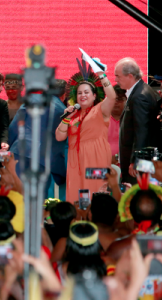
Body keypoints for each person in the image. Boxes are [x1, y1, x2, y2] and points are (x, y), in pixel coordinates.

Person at [56, 57, 116, 202]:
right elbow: (59, 137)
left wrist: (101, 74)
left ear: (94, 95)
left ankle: (96, 222)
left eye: (86, 92)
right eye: (79, 93)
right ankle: (79, 222)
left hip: (96, 157)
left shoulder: (100, 110)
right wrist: (67, 117)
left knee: (96, 193)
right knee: (77, 196)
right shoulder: (73, 114)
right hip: (75, 161)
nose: (82, 95)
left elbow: (112, 96)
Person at [9, 83, 66, 198]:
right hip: (41, 160)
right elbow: (57, 145)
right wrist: (61, 174)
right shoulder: (62, 110)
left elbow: (14, 127)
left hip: (19, 152)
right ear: (64, 95)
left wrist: (10, 147)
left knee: (15, 194)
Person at [115, 57, 162, 182]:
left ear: (130, 76)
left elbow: (141, 131)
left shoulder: (139, 96)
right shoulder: (140, 91)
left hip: (139, 164)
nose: (116, 80)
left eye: (118, 76)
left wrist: (135, 161)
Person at [108, 85, 127, 159]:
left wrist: (116, 158)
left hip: (127, 164)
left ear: (126, 100)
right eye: (114, 98)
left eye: (119, 99)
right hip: (103, 163)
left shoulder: (131, 120)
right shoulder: (101, 119)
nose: (116, 102)